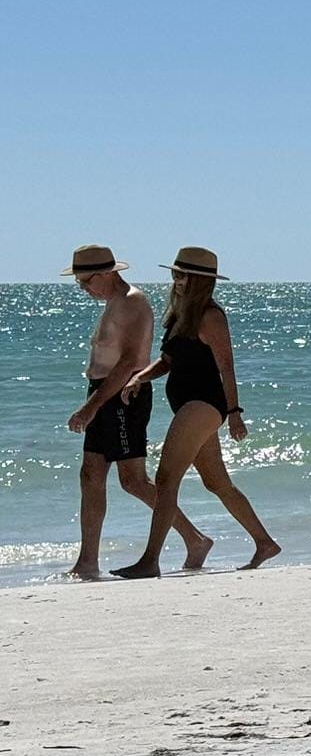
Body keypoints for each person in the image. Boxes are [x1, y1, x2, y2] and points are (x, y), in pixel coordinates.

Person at [112, 248, 280, 577]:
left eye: (181, 275)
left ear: (200, 280)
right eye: (174, 274)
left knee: (165, 479)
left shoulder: (211, 315)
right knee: (216, 482)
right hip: (188, 404)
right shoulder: (180, 315)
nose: (175, 281)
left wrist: (234, 412)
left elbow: (226, 368)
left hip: (204, 404)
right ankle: (264, 542)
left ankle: (150, 561)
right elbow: (169, 361)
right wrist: (138, 377)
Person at [61, 245, 212, 578]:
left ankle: (195, 538)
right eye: (79, 283)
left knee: (133, 481)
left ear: (107, 273)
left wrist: (90, 408)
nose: (83, 289)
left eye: (86, 281)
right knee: (90, 475)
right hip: (103, 394)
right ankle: (87, 562)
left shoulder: (133, 302)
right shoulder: (113, 302)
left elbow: (130, 362)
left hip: (123, 398)